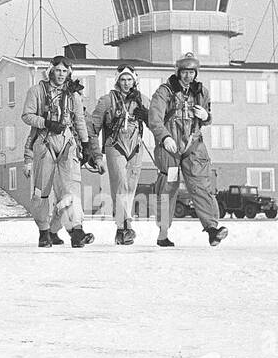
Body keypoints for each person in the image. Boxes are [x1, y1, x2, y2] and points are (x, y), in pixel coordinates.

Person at [146, 53, 228, 247]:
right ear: (178, 72)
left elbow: (208, 118)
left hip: (193, 144)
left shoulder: (201, 92)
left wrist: (206, 116)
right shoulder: (164, 92)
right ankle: (163, 233)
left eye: (192, 72)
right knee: (168, 187)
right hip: (170, 147)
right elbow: (154, 118)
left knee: (201, 185)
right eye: (185, 72)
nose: (188, 76)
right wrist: (164, 137)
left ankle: (211, 229)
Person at [22, 55, 94, 248]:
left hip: (67, 143)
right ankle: (44, 232)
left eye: (65, 71)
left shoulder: (73, 95)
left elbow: (79, 120)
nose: (61, 75)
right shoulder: (37, 91)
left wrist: (86, 144)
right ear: (51, 70)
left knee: (70, 190)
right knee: (42, 192)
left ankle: (76, 230)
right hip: (44, 142)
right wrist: (45, 122)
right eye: (58, 70)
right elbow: (27, 115)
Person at [88, 65, 150, 244]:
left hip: (136, 147)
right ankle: (127, 225)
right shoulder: (107, 100)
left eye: (129, 79)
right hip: (115, 145)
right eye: (123, 79)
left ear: (135, 81)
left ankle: (120, 229)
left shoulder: (141, 100)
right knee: (121, 184)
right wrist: (96, 155)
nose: (126, 83)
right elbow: (93, 128)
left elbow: (157, 121)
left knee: (130, 188)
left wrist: (145, 115)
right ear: (117, 81)